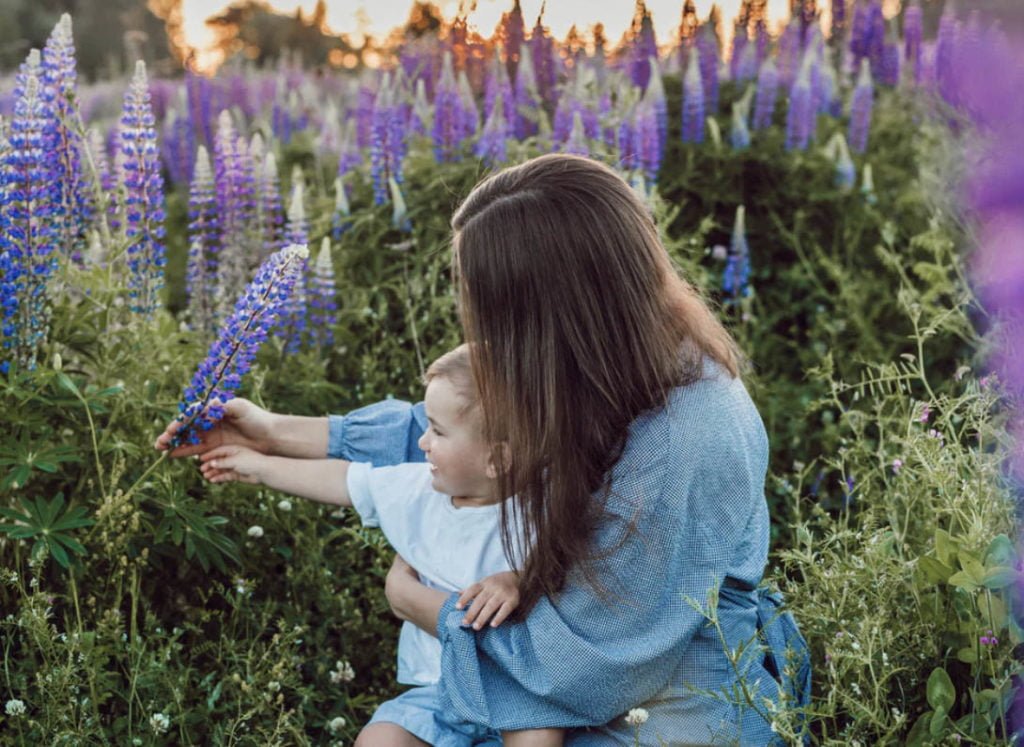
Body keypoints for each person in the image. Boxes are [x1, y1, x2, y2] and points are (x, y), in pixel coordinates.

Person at [158, 154, 810, 745]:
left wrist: (420, 604)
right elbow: (468, 430)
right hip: (557, 658)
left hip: (665, 695)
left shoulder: (683, 440)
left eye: (485, 306)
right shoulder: (615, 361)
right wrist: (272, 431)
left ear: (553, 313)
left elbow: (583, 661)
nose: (469, 315)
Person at [173, 345, 563, 747]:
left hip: (518, 691)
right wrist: (259, 466)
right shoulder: (416, 491)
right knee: (380, 739)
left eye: (437, 431)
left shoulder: (543, 506)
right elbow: (344, 480)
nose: (423, 442)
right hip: (438, 692)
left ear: (496, 460)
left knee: (541, 735)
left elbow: (572, 566)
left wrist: (518, 579)